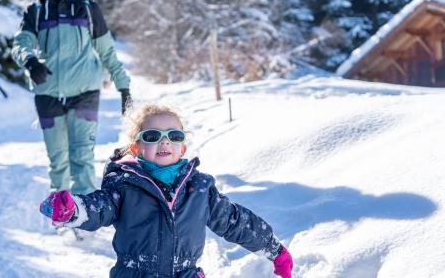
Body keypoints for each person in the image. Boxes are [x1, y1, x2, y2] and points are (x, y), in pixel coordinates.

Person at [39, 103, 294, 277]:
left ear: (182, 148)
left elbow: (236, 222)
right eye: (152, 136)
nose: (164, 141)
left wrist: (274, 250)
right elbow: (99, 207)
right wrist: (72, 209)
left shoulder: (200, 189)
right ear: (137, 148)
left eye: (174, 135)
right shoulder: (124, 185)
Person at [12, 0, 131, 195]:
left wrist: (124, 87)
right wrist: (31, 62)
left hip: (85, 91)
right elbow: (20, 44)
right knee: (58, 161)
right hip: (48, 94)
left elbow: (107, 51)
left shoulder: (89, 9)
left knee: (82, 157)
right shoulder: (36, 10)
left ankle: (84, 217)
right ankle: (62, 212)